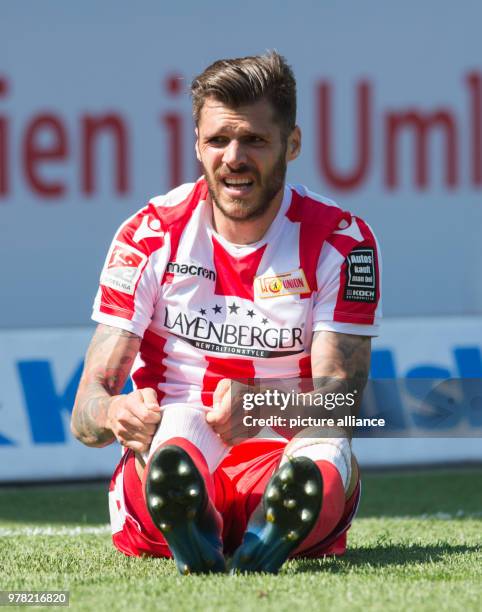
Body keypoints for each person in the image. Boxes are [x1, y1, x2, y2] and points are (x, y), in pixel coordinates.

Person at [71, 51, 381, 575]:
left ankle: (268, 529)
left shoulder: (340, 242)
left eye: (255, 140)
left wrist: (262, 409)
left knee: (326, 449)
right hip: (179, 450)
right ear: (196, 143)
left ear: (293, 143)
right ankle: (193, 520)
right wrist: (112, 413)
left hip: (283, 463)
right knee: (179, 425)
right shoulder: (148, 237)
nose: (233, 158)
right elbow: (86, 411)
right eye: (218, 140)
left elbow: (344, 401)